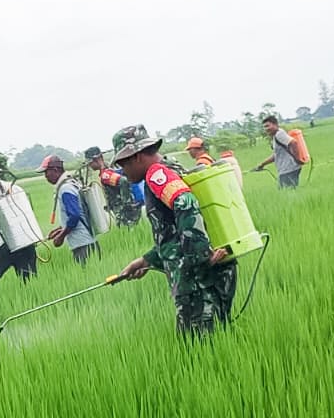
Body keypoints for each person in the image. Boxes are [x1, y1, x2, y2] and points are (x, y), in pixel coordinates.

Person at [112, 125, 238, 336]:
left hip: (197, 280)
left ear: (136, 157)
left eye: (123, 164)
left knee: (197, 347)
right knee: (214, 339)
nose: (122, 171)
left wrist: (198, 258)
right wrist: (146, 260)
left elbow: (185, 203)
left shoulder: (156, 173)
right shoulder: (172, 168)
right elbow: (173, 234)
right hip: (209, 272)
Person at [41, 155, 101, 264]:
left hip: (82, 244)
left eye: (46, 172)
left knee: (87, 275)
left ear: (55, 170)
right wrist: (60, 229)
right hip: (87, 240)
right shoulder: (71, 183)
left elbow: (74, 216)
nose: (45, 176)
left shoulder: (65, 189)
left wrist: (61, 236)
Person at [83, 146, 143, 227]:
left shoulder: (105, 174)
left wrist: (127, 204)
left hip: (124, 213)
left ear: (96, 160)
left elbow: (123, 181)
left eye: (90, 163)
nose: (90, 166)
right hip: (129, 210)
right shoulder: (111, 169)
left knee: (129, 234)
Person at [254, 116, 305, 188]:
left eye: (268, 126)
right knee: (287, 193)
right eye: (265, 127)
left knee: (287, 194)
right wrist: (262, 164)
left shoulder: (279, 134)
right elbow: (276, 155)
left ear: (275, 124)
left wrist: (297, 159)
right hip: (286, 170)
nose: (266, 129)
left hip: (289, 169)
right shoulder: (276, 136)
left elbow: (294, 143)